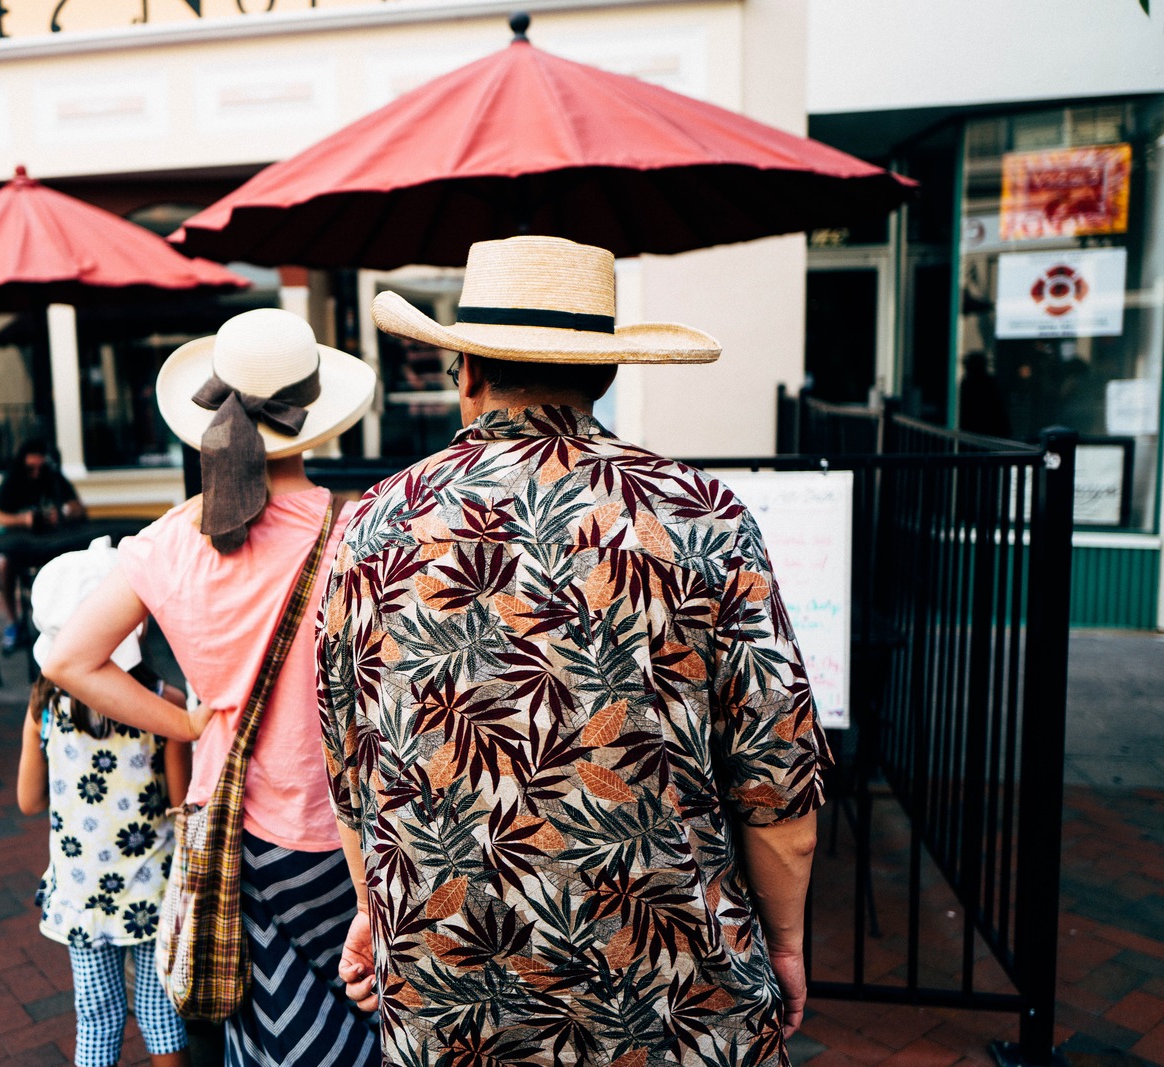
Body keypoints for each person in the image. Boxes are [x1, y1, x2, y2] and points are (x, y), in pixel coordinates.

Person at [316, 236, 831, 1067]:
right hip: (678, 1000)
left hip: (452, 999)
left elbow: (351, 772)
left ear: (469, 373)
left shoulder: (372, 527)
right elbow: (779, 787)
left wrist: (378, 914)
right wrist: (786, 945)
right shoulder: (704, 517)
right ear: (604, 372)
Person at [44, 307, 381, 1067]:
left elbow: (69, 660)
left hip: (231, 825)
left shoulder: (166, 541)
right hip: (345, 832)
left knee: (263, 1023)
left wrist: (192, 727)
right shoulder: (358, 530)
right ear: (316, 418)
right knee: (359, 1011)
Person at [16, 540, 192, 1067]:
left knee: (95, 1020)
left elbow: (28, 801)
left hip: (82, 892)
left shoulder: (43, 707)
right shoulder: (167, 704)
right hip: (151, 886)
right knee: (161, 1015)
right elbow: (180, 803)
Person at [0, 438, 84, 649]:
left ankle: (65, 625)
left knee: (73, 564)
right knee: (2, 565)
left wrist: (63, 513)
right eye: (31, 468)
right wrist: (23, 520)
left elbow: (77, 507)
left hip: (51, 548)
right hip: (17, 549)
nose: (36, 473)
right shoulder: (12, 483)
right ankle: (13, 622)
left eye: (41, 467)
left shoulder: (54, 479)